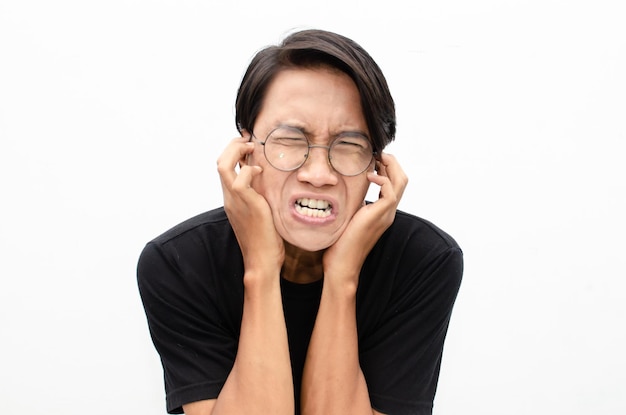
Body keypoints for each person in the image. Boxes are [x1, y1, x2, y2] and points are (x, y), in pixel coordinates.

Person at [137, 29, 463, 415]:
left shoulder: (422, 261)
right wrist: (260, 267)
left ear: (377, 166)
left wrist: (342, 277)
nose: (319, 173)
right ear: (244, 151)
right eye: (290, 140)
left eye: (349, 145)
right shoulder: (179, 264)